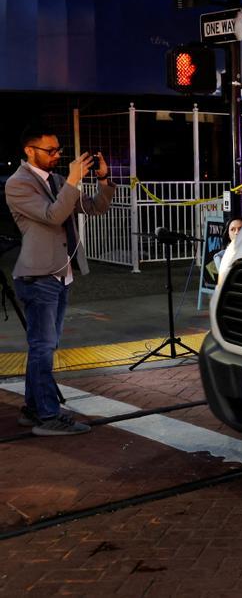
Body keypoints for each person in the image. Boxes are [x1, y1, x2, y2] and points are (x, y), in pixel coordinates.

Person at [6, 124, 115, 436]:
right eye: (49, 151)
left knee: (44, 346)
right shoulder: (18, 184)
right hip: (38, 276)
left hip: (60, 274)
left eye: (58, 150)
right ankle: (47, 417)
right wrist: (71, 180)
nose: (56, 155)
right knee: (42, 347)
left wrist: (103, 179)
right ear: (29, 150)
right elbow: (53, 216)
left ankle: (33, 409)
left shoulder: (55, 180)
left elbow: (95, 207)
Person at [210, 216, 242, 281]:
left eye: (241, 228)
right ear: (228, 235)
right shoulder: (221, 258)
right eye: (232, 229)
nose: (237, 232)